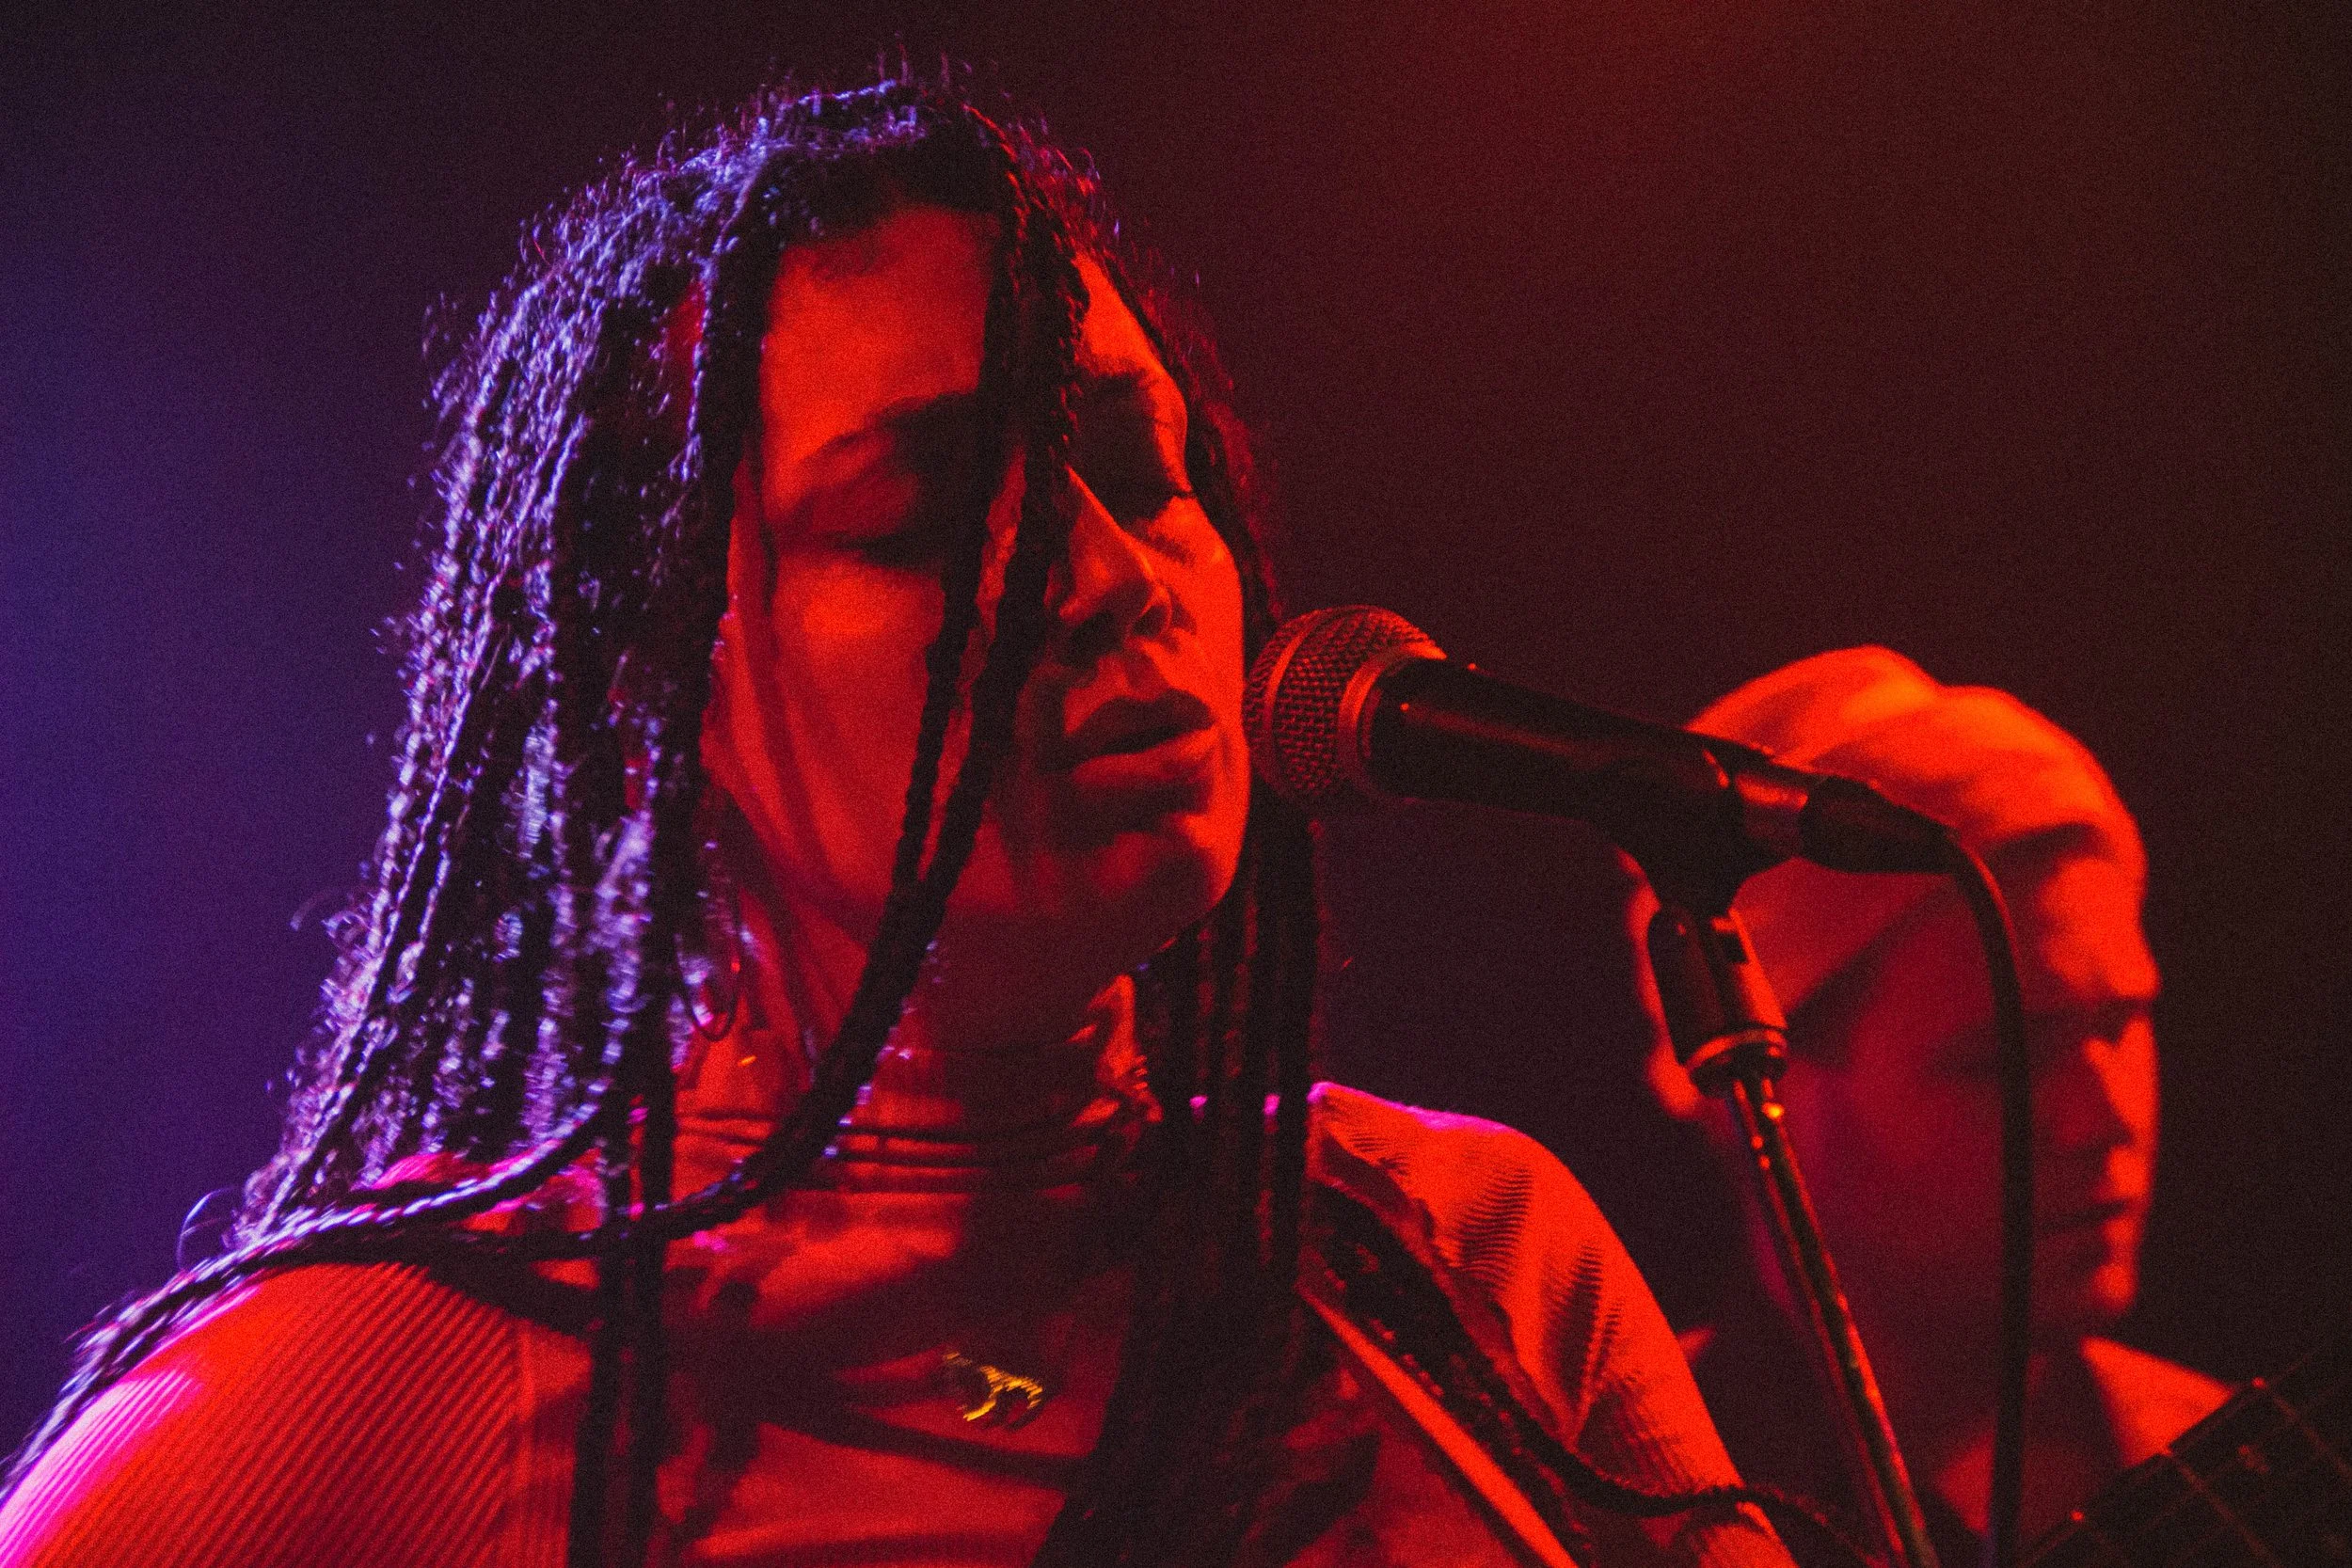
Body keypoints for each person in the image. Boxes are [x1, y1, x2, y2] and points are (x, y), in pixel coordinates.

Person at [0, 77, 1792, 1567]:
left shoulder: (1452, 1259)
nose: (1106, 576)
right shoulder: (391, 1389)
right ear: (646, 689)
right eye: (925, 516)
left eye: (1132, 461)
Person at [1627, 647, 2229, 1564]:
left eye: (2123, 1022)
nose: (2100, 1116)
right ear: (1752, 1096)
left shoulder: (2233, 1464)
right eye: (2000, 1060)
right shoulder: (1611, 1522)